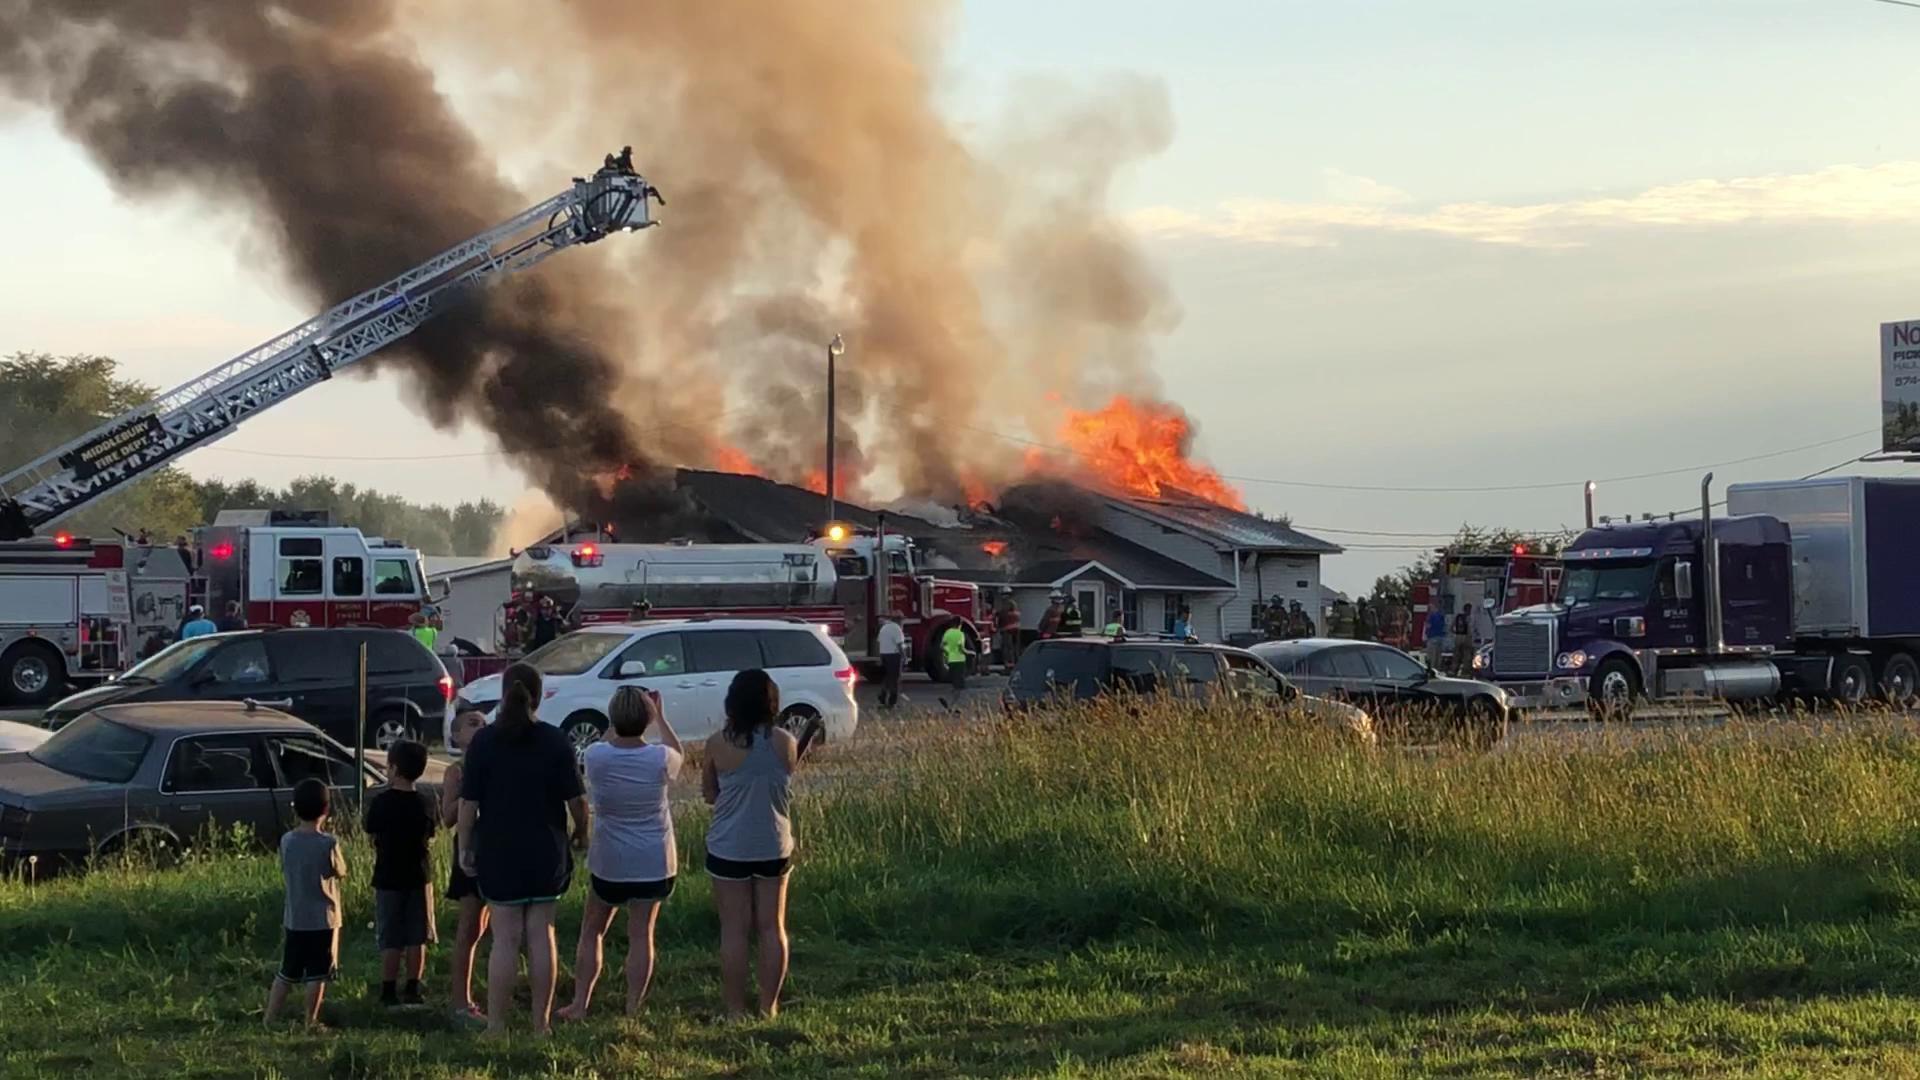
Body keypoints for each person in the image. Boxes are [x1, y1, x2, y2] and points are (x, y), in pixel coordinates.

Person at [457, 662, 590, 1036]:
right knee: (541, 935)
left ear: (503, 693)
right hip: (545, 851)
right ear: (540, 695)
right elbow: (578, 801)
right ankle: (540, 1024)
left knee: (504, 938)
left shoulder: (484, 742)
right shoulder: (554, 740)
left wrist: (465, 847)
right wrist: (582, 832)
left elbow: (468, 806)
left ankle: (497, 1026)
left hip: (499, 850)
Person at [557, 686, 684, 1020]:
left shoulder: (597, 756)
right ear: (647, 719)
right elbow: (677, 751)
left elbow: (610, 738)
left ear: (612, 718)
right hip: (654, 860)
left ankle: (581, 1003)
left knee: (592, 930)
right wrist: (661, 718)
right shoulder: (660, 758)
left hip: (610, 861)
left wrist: (619, 719)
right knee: (642, 934)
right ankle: (632, 1008)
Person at [703, 670, 811, 1019]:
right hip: (773, 844)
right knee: (772, 927)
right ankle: (769, 1006)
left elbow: (709, 793)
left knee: (733, 930)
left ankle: (734, 1010)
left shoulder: (717, 743)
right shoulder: (785, 742)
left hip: (728, 846)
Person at [265, 778, 346, 1028]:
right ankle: (310, 1020)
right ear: (326, 809)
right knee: (318, 973)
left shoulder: (287, 840)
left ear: (295, 808)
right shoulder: (328, 843)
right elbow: (340, 870)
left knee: (287, 972)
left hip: (295, 918)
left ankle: (270, 1017)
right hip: (323, 919)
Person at [363, 740, 437, 1008]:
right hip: (418, 875)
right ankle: (414, 987)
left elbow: (370, 830)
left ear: (393, 768)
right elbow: (430, 834)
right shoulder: (424, 802)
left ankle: (388, 990)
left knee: (391, 936)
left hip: (387, 876)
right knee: (417, 935)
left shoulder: (381, 802)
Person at [441, 711, 490, 1024]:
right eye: (473, 723)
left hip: (496, 844)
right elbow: (446, 817)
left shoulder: (495, 762)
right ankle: (460, 1000)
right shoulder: (456, 771)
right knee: (469, 925)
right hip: (469, 848)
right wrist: (467, 792)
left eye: (485, 723)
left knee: (489, 925)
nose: (481, 727)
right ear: (456, 736)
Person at [876, 610, 906, 709]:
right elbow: (899, 644)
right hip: (894, 655)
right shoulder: (896, 629)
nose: (903, 622)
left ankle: (882, 695)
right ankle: (892, 702)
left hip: (884, 655)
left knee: (887, 677)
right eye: (902, 619)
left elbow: (879, 642)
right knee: (895, 679)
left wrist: (880, 657)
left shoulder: (884, 628)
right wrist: (904, 656)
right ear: (898, 620)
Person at [940, 621, 971, 694]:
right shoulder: (960, 634)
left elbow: (941, 646)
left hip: (951, 659)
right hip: (960, 660)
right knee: (961, 681)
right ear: (959, 625)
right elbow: (961, 648)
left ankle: (954, 692)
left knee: (954, 680)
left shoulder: (947, 633)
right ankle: (959, 698)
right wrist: (970, 653)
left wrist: (947, 653)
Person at [994, 595, 1022, 669]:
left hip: (1007, 631)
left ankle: (1009, 664)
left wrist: (997, 628)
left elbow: (1000, 620)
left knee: (1007, 648)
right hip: (1016, 630)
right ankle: (1016, 662)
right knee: (1015, 648)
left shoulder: (1005, 613)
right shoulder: (1017, 613)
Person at [1451, 603, 1474, 676]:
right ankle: (1465, 671)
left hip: (1458, 637)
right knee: (1466, 655)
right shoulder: (1469, 618)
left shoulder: (1458, 616)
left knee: (1457, 655)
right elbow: (1470, 629)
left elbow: (1451, 627)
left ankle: (1454, 670)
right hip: (1466, 637)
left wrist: (1455, 633)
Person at [1424, 605, 1449, 671]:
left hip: (1432, 637)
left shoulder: (1431, 616)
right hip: (1440, 638)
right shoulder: (1441, 616)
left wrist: (1426, 635)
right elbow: (1444, 627)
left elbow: (1428, 626)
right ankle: (1437, 669)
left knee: (1431, 656)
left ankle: (1431, 670)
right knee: (1438, 656)